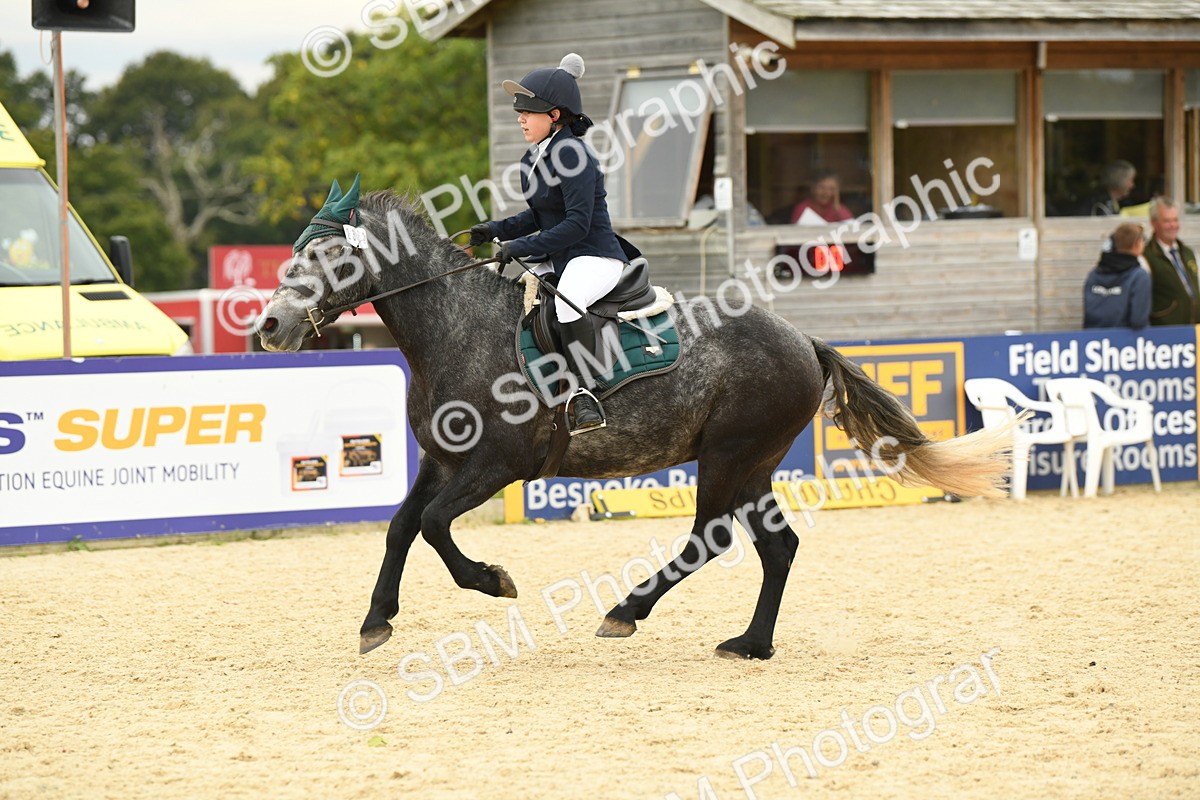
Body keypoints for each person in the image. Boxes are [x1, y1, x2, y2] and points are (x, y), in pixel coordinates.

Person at [468, 53, 637, 435]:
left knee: (566, 301)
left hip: (593, 255)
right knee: (512, 302)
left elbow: (576, 224)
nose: (521, 119)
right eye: (520, 112)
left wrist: (523, 246)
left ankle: (584, 392)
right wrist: (498, 228)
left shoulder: (575, 155)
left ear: (555, 115)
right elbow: (540, 215)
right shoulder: (534, 157)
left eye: (529, 112)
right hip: (559, 256)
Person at [1083, 222, 1151, 329]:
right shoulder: (1139, 277)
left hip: (1093, 340)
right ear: (1137, 244)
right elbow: (1138, 320)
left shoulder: (1094, 274)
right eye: (1143, 240)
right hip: (1127, 342)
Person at [1143, 197, 1199, 325]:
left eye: (1175, 220)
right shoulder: (1145, 256)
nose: (1173, 225)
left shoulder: (1188, 253)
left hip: (1194, 330)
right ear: (1154, 223)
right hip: (1166, 333)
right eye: (1167, 221)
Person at [789, 171, 854, 224]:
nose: (826, 193)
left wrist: (838, 208)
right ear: (813, 188)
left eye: (832, 189)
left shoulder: (838, 209)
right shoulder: (802, 209)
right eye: (822, 188)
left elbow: (852, 229)